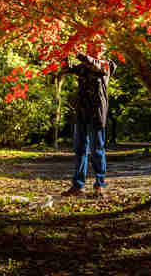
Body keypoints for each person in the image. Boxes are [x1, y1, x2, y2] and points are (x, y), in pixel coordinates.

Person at [63, 51, 114, 196]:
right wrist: (64, 57)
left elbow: (94, 63)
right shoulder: (83, 67)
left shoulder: (106, 65)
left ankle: (100, 184)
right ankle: (77, 186)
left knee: (97, 150)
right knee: (79, 150)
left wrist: (78, 53)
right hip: (81, 113)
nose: (93, 48)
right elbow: (68, 69)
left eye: (97, 47)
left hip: (96, 114)